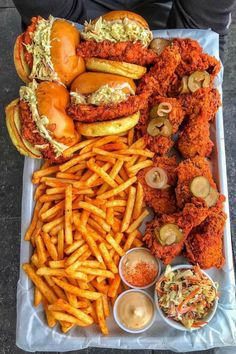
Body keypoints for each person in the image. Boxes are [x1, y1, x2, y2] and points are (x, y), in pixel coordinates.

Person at [13, 0, 235, 61]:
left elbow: (204, 30)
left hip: (172, 13)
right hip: (75, 9)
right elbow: (48, 14)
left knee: (197, 57)